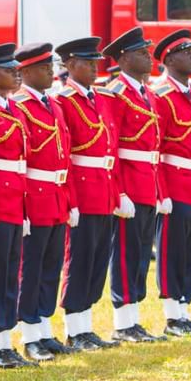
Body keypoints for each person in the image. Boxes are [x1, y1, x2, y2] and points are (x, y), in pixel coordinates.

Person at [0, 43, 44, 366]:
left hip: (16, 197)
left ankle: (6, 341)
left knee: (11, 273)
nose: (16, 72)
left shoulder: (14, 108)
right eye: (7, 69)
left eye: (16, 68)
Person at [55, 37, 120, 351]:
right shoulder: (64, 101)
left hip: (103, 188)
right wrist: (71, 200)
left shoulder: (102, 98)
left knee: (97, 260)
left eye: (96, 62)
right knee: (79, 259)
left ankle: (87, 325)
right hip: (81, 188)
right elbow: (64, 154)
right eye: (87, 62)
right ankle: (74, 329)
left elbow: (111, 149)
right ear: (69, 66)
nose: (96, 67)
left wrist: (117, 193)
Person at [101, 27, 165, 343]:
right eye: (141, 53)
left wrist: (159, 190)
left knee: (140, 253)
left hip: (147, 181)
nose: (148, 57)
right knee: (125, 253)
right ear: (124, 58)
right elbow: (111, 146)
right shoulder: (114, 93)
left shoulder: (145, 93)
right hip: (127, 182)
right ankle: (123, 322)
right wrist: (119, 191)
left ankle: (134, 318)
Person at [12, 43, 74, 358]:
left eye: (51, 66)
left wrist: (70, 201)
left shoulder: (53, 105)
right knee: (31, 267)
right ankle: (29, 334)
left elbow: (65, 158)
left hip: (56, 196)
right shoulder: (20, 107)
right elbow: (21, 161)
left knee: (51, 266)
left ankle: (45, 329)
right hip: (34, 196)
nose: (51, 72)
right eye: (43, 67)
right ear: (25, 72)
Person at [152, 30, 191, 338]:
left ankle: (185, 309)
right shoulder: (162, 95)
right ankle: (172, 315)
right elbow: (157, 147)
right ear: (170, 59)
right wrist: (161, 192)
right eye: (187, 52)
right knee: (172, 250)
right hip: (174, 182)